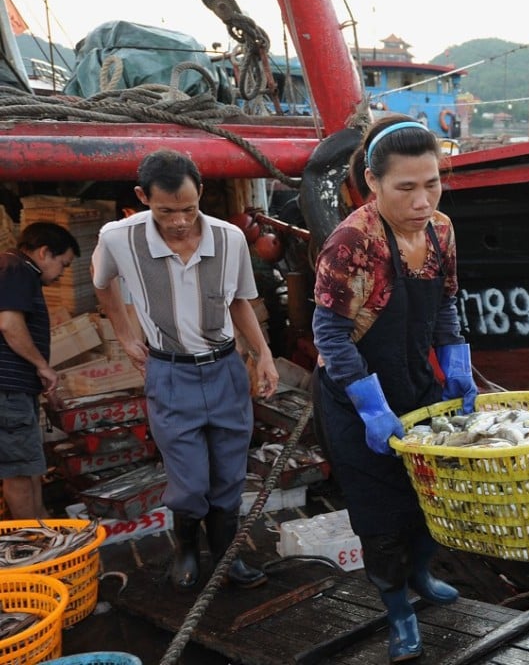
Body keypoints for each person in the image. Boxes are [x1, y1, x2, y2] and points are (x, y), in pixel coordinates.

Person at [311, 116, 477, 662]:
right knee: (379, 518)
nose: (423, 200)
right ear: (373, 184)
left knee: (430, 499)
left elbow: (447, 304)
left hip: (416, 384)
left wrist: (457, 365)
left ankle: (424, 575)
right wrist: (371, 408)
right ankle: (398, 610)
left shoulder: (442, 231)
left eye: (432, 183)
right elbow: (330, 334)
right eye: (406, 187)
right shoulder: (351, 242)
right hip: (357, 398)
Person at [92, 148, 279, 591]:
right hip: (169, 374)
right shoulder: (119, 237)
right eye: (166, 210)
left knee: (229, 474)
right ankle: (186, 550)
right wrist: (123, 334)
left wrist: (263, 354)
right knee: (190, 479)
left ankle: (226, 558)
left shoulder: (230, 238)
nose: (179, 220)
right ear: (142, 197)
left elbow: (239, 302)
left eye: (188, 209)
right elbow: (102, 284)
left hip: (225, 371)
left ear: (202, 195)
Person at [0, 222, 80, 519]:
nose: (62, 274)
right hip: (7, 392)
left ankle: (42, 525)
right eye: (63, 264)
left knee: (30, 466)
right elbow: (9, 324)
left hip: (16, 391)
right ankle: (34, 542)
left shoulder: (21, 272)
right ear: (45, 252)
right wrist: (42, 366)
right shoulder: (16, 268)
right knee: (19, 473)